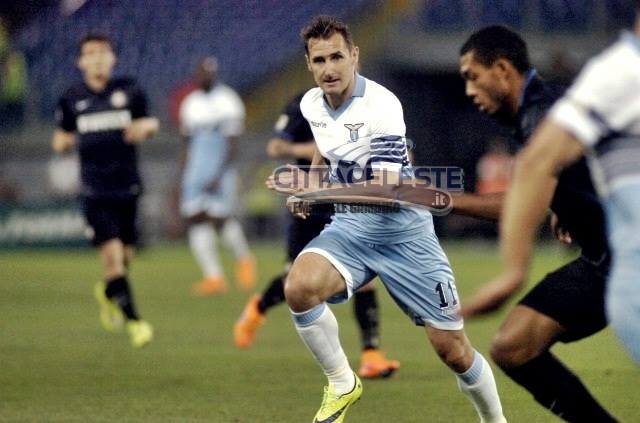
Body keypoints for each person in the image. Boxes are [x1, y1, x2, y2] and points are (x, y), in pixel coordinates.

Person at [267, 16, 506, 423]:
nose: (329, 68)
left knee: (453, 350)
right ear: (309, 64)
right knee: (300, 287)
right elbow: (325, 145)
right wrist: (313, 182)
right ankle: (342, 383)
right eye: (319, 60)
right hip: (352, 227)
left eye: (337, 57)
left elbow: (387, 189)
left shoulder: (382, 105)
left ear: (354, 55)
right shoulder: (311, 104)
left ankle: (495, 421)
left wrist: (316, 193)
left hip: (404, 233)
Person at [454, 26, 617, 422]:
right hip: (604, 261)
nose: (469, 91)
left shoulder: (542, 116)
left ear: (502, 70)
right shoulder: (544, 110)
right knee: (515, 345)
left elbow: (520, 202)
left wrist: (442, 200)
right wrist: (567, 202)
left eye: (473, 77)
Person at [234, 92, 400, 379]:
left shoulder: (368, 102)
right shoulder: (303, 104)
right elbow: (275, 147)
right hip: (310, 205)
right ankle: (258, 307)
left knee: (365, 278)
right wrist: (319, 147)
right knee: (294, 280)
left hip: (347, 201)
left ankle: (371, 355)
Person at [52, 34, 158, 348]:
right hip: (94, 192)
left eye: (103, 52)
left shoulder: (129, 90)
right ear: (81, 61)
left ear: (113, 59)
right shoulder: (71, 98)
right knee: (112, 259)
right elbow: (60, 138)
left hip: (128, 187)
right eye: (91, 53)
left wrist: (145, 128)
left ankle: (109, 292)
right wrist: (65, 143)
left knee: (124, 259)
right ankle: (136, 323)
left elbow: (151, 123)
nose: (97, 58)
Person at [179, 57, 256, 295]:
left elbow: (233, 144)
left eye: (209, 72)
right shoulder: (190, 103)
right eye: (201, 72)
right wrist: (185, 173)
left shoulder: (228, 100)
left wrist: (218, 175)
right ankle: (214, 277)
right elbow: (186, 142)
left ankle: (244, 258)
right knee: (195, 218)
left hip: (219, 168)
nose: (205, 76)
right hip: (196, 169)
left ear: (215, 74)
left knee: (220, 218)